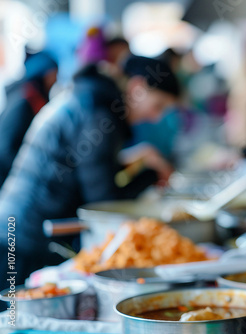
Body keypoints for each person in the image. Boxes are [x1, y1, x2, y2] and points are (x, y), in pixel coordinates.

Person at [0, 55, 179, 290]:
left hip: (17, 226)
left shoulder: (90, 98)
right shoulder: (99, 113)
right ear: (137, 88)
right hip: (26, 239)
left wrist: (137, 160)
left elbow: (84, 166)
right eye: (158, 106)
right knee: (15, 317)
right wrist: (151, 176)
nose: (156, 117)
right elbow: (105, 206)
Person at [0, 50, 58, 187]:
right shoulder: (25, 100)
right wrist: (23, 177)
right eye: (54, 73)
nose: (56, 79)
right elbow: (6, 147)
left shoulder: (31, 96)